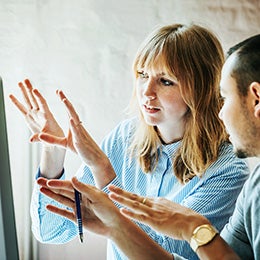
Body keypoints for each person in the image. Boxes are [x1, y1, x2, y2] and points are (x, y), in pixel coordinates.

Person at [10, 23, 249, 259]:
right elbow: (52, 231)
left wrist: (102, 170)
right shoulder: (124, 138)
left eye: (166, 81)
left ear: (201, 88)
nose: (146, 91)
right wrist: (52, 152)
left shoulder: (227, 169)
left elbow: (164, 253)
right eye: (143, 75)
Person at [107, 33, 260, 259]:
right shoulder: (256, 183)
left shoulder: (230, 169)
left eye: (225, 98)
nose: (221, 113)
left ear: (256, 99)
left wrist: (194, 228)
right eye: (142, 75)